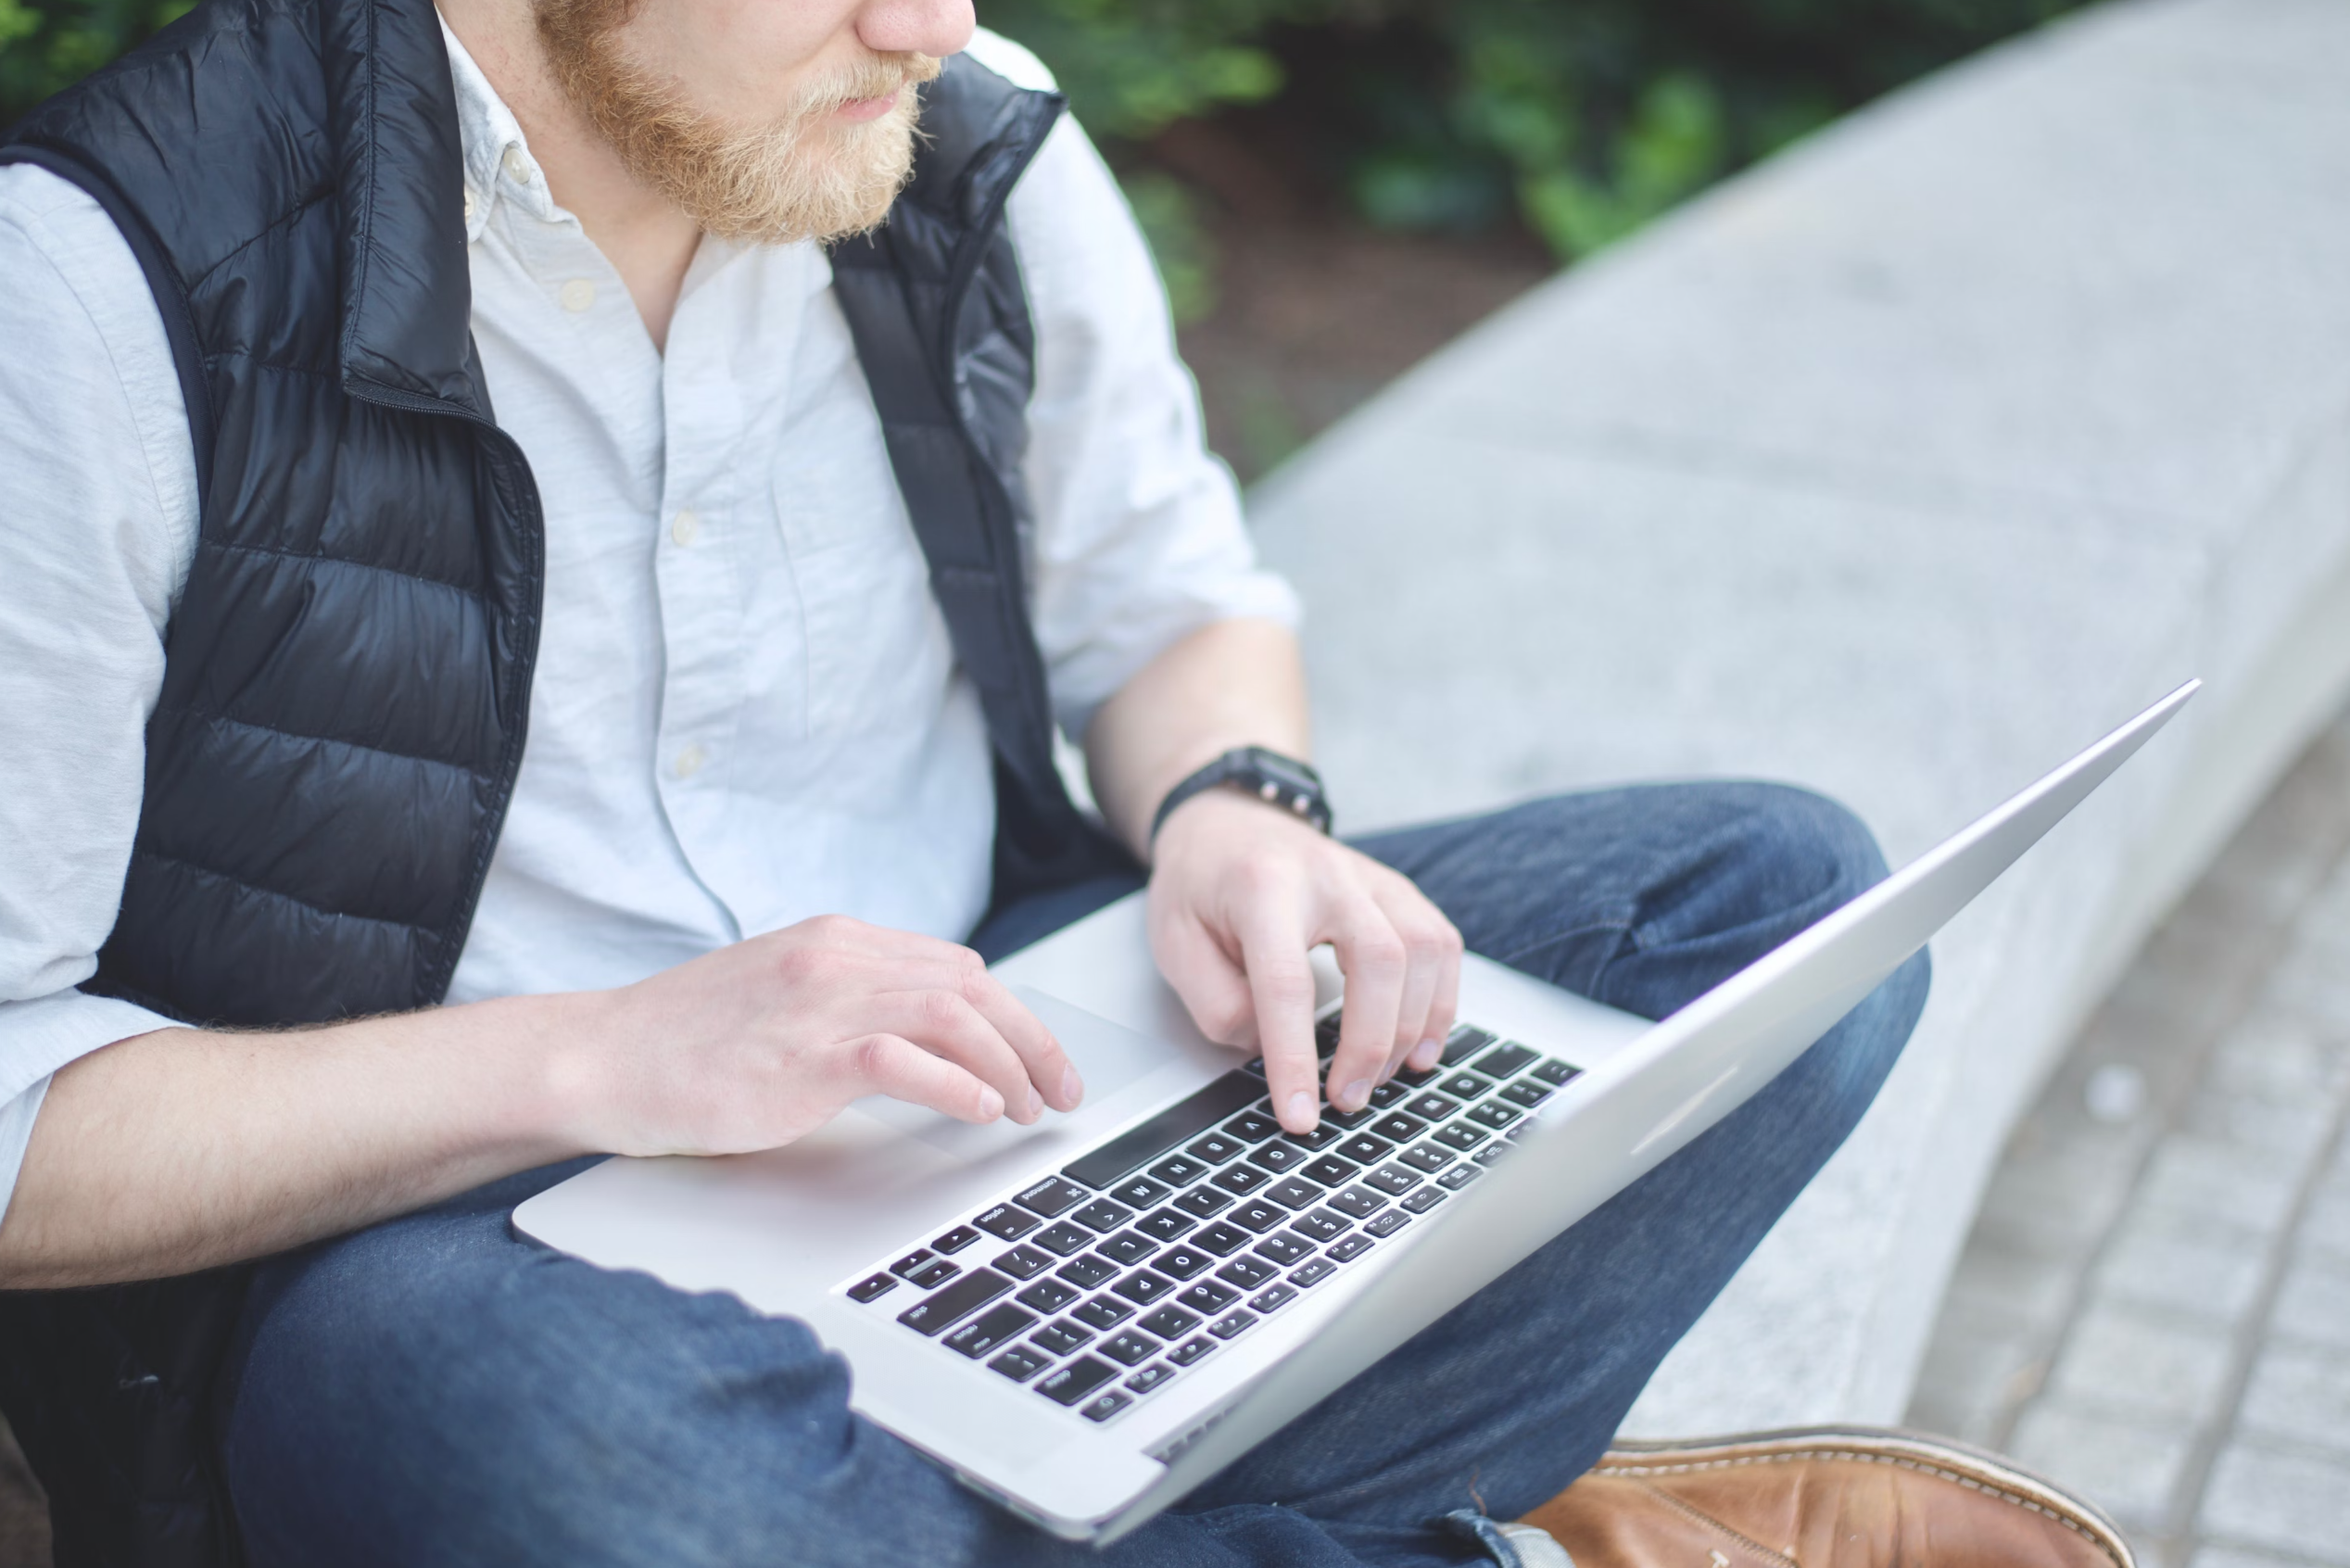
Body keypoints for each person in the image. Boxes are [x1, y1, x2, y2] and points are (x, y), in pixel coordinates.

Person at [0, 0, 2127, 1562]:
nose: (925, 21)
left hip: (1010, 1065)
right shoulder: (102, 290)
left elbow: (1168, 600)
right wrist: (602, 1061)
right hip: (463, 1241)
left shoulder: (948, 126)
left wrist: (1234, 808)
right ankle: (1484, 1532)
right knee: (576, 1466)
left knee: (1778, 915)